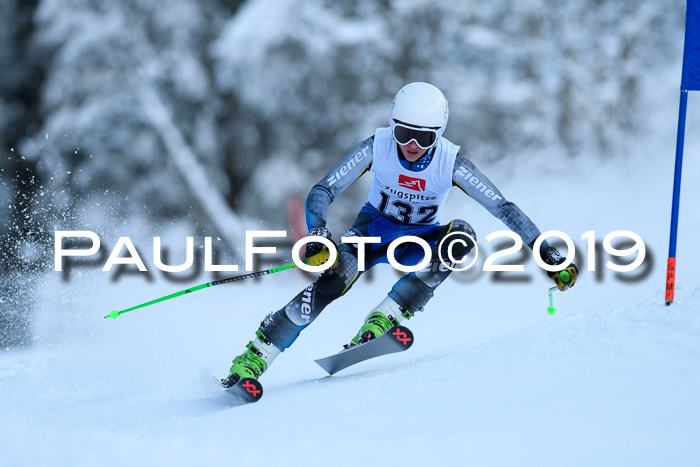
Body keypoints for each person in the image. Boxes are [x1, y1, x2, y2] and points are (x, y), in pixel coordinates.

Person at [221, 82, 578, 386]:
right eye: (403, 133)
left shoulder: (451, 162)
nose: (411, 144)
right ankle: (254, 358)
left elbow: (503, 207)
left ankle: (386, 316)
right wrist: (319, 235)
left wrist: (546, 253)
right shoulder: (376, 147)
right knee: (333, 281)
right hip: (371, 232)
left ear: (438, 134)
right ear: (392, 126)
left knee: (460, 239)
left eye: (423, 137)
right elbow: (322, 190)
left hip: (418, 241)